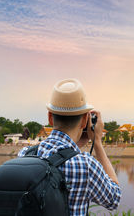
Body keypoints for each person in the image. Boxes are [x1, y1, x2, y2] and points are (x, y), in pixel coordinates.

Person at [18, 78, 121, 215]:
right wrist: (97, 142)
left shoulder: (25, 154)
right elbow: (114, 199)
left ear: (50, 117)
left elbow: (57, 157)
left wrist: (75, 145)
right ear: (85, 120)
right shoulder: (86, 165)